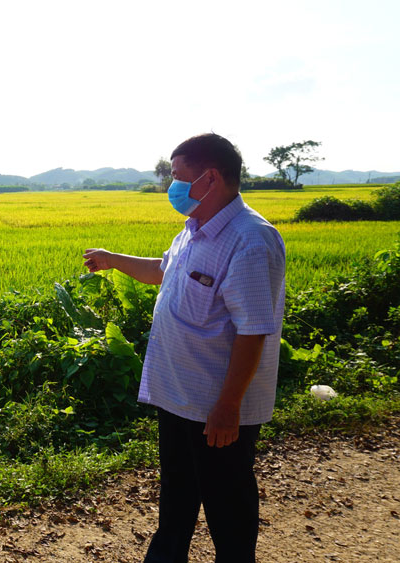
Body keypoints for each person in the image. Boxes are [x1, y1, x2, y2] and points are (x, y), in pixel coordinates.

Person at [84, 133, 285, 562]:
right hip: (178, 397)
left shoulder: (250, 240)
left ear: (210, 178)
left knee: (227, 508)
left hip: (217, 407)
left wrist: (229, 405)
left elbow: (253, 331)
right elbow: (163, 270)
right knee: (176, 498)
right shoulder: (194, 230)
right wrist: (112, 258)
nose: (170, 186)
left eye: (178, 177)